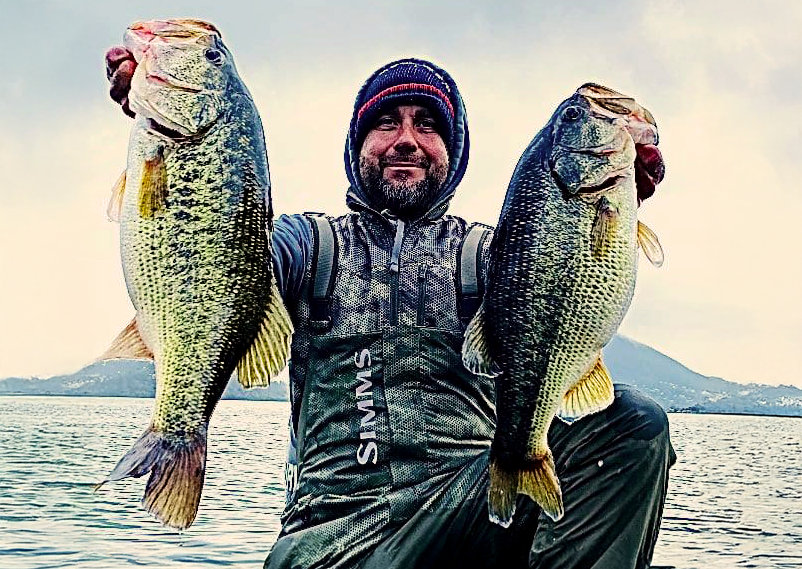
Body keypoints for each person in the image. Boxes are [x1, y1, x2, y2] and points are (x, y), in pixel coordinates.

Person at [106, 50, 676, 569]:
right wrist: (186, 147)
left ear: (453, 152)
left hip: (468, 516)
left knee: (634, 423)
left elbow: (560, 276)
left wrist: (609, 204)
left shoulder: (496, 254)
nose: (406, 139)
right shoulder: (306, 244)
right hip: (329, 543)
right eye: (385, 123)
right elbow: (220, 254)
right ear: (357, 147)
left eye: (427, 124)